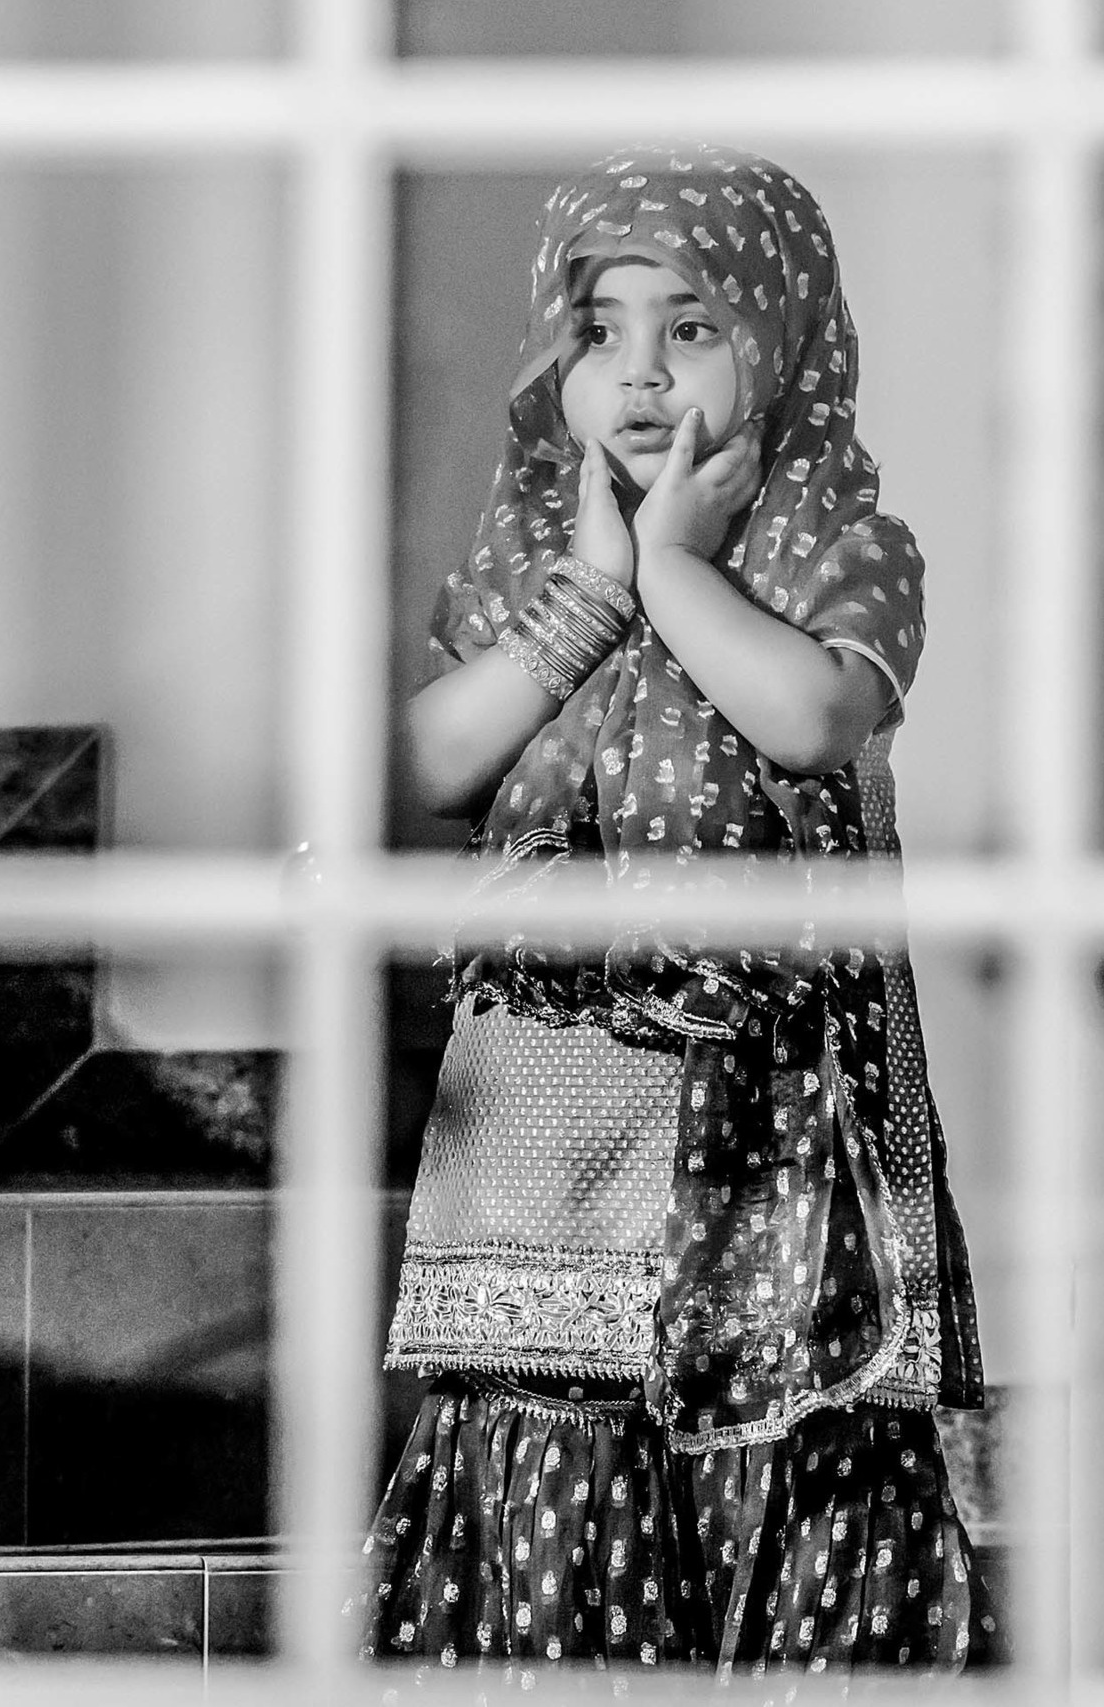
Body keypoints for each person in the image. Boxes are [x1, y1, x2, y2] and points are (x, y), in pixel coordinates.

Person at [358, 144, 992, 1680]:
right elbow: (434, 760)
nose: (637, 371)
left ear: (783, 341)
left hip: (763, 1112)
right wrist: (590, 588)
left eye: (691, 327)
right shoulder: (528, 560)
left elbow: (811, 720)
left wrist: (674, 571)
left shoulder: (841, 546)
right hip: (543, 1115)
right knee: (551, 1432)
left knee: (779, 1453)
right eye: (598, 329)